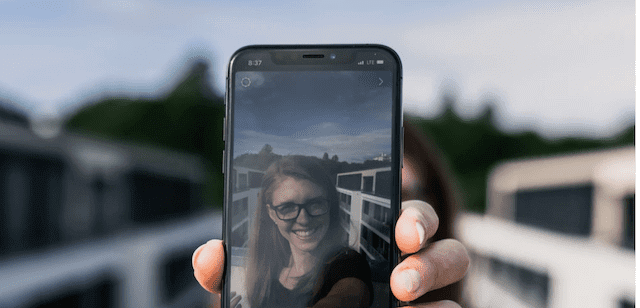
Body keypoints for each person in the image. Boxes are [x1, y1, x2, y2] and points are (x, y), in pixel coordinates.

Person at [193, 122, 470, 308]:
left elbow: (348, 292)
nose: (303, 218)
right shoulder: (260, 267)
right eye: (287, 207)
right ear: (271, 214)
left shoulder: (347, 264)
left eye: (402, 196)